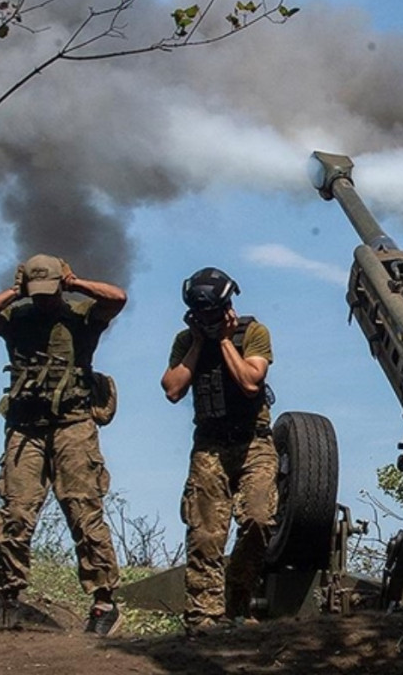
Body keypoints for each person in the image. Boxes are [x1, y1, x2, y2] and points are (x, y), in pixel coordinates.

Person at [0, 253, 126, 636]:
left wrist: (76, 283)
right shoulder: (15, 317)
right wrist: (13, 292)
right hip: (25, 427)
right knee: (15, 514)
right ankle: (9, 601)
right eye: (36, 292)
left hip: (73, 425)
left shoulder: (82, 315)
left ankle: (104, 603)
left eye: (49, 291)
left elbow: (117, 298)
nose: (43, 299)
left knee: (84, 512)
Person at [161, 267, 277, 634]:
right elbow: (172, 389)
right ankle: (203, 617)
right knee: (206, 533)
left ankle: (237, 600)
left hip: (253, 442)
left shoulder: (253, 333)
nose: (209, 319)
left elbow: (248, 381)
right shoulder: (185, 341)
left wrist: (225, 341)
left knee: (259, 519)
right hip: (210, 445)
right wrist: (198, 343)